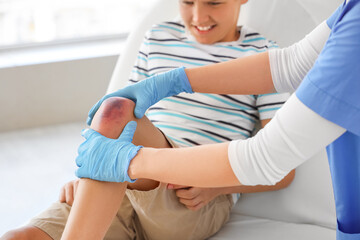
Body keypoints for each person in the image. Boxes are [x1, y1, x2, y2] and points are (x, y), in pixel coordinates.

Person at [1, 0, 294, 240]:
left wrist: (219, 185)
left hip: (191, 195)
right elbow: (116, 121)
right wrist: (88, 176)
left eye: (213, 3)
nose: (198, 15)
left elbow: (283, 169)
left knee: (118, 112)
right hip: (129, 185)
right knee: (19, 237)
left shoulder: (263, 56)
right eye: (187, 2)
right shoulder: (158, 37)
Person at [73, 0, 360, 239]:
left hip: (182, 190)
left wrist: (129, 161)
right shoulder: (351, 12)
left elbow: (269, 159)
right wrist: (174, 81)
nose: (199, 14)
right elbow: (291, 64)